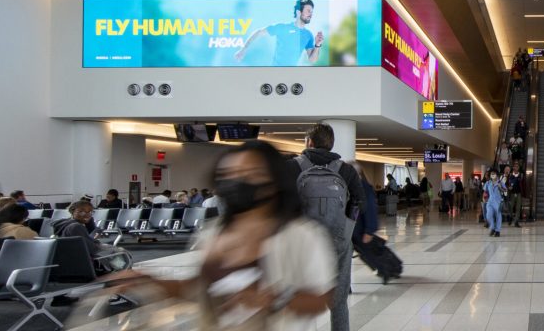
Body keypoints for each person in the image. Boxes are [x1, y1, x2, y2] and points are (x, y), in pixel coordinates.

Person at [110, 141, 334, 330]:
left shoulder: (301, 235)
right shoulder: (214, 231)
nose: (237, 182)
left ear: (273, 182)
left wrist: (272, 299)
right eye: (229, 175)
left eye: (250, 175)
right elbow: (199, 289)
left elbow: (320, 299)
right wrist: (149, 281)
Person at [283, 124, 366, 331]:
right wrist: (347, 225)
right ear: (331, 144)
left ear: (309, 142)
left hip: (300, 240)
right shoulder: (346, 170)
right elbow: (359, 201)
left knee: (299, 296)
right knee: (338, 302)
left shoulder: (292, 167)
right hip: (338, 239)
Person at [235, 0, 325, 66]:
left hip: (293, 75)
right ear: (298, 12)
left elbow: (312, 60)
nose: (311, 14)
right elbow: (259, 32)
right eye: (308, 11)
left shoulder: (308, 35)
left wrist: (317, 45)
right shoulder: (283, 27)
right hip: (275, 72)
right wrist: (244, 49)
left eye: (312, 12)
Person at [54, 200, 131, 274]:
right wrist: (98, 243)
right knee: (121, 253)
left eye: (90, 212)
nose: (87, 214)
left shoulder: (64, 224)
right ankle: (121, 273)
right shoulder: (75, 227)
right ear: (73, 211)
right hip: (83, 264)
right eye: (81, 212)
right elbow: (93, 249)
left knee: (112, 249)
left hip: (69, 262)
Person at [483, 169, 507, 237]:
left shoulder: (500, 182)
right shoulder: (488, 183)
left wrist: (500, 187)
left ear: (497, 175)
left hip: (498, 201)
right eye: (491, 174)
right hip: (490, 201)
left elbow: (505, 191)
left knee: (498, 215)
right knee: (488, 215)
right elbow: (485, 191)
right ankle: (492, 227)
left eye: (494, 174)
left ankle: (497, 231)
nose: (492, 175)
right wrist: (484, 198)